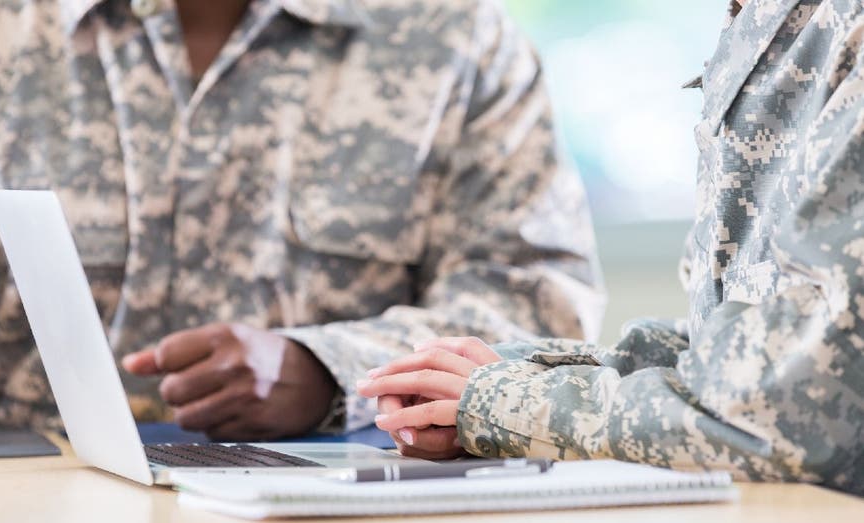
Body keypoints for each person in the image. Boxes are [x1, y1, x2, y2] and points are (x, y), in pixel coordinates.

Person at [0, 0, 604, 438]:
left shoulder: (456, 38)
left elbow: (538, 310)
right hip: (30, 493)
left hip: (344, 494)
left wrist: (327, 370)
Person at [359, 0, 864, 496]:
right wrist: (498, 376)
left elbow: (800, 403)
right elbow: (737, 347)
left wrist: (500, 402)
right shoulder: (765, 17)